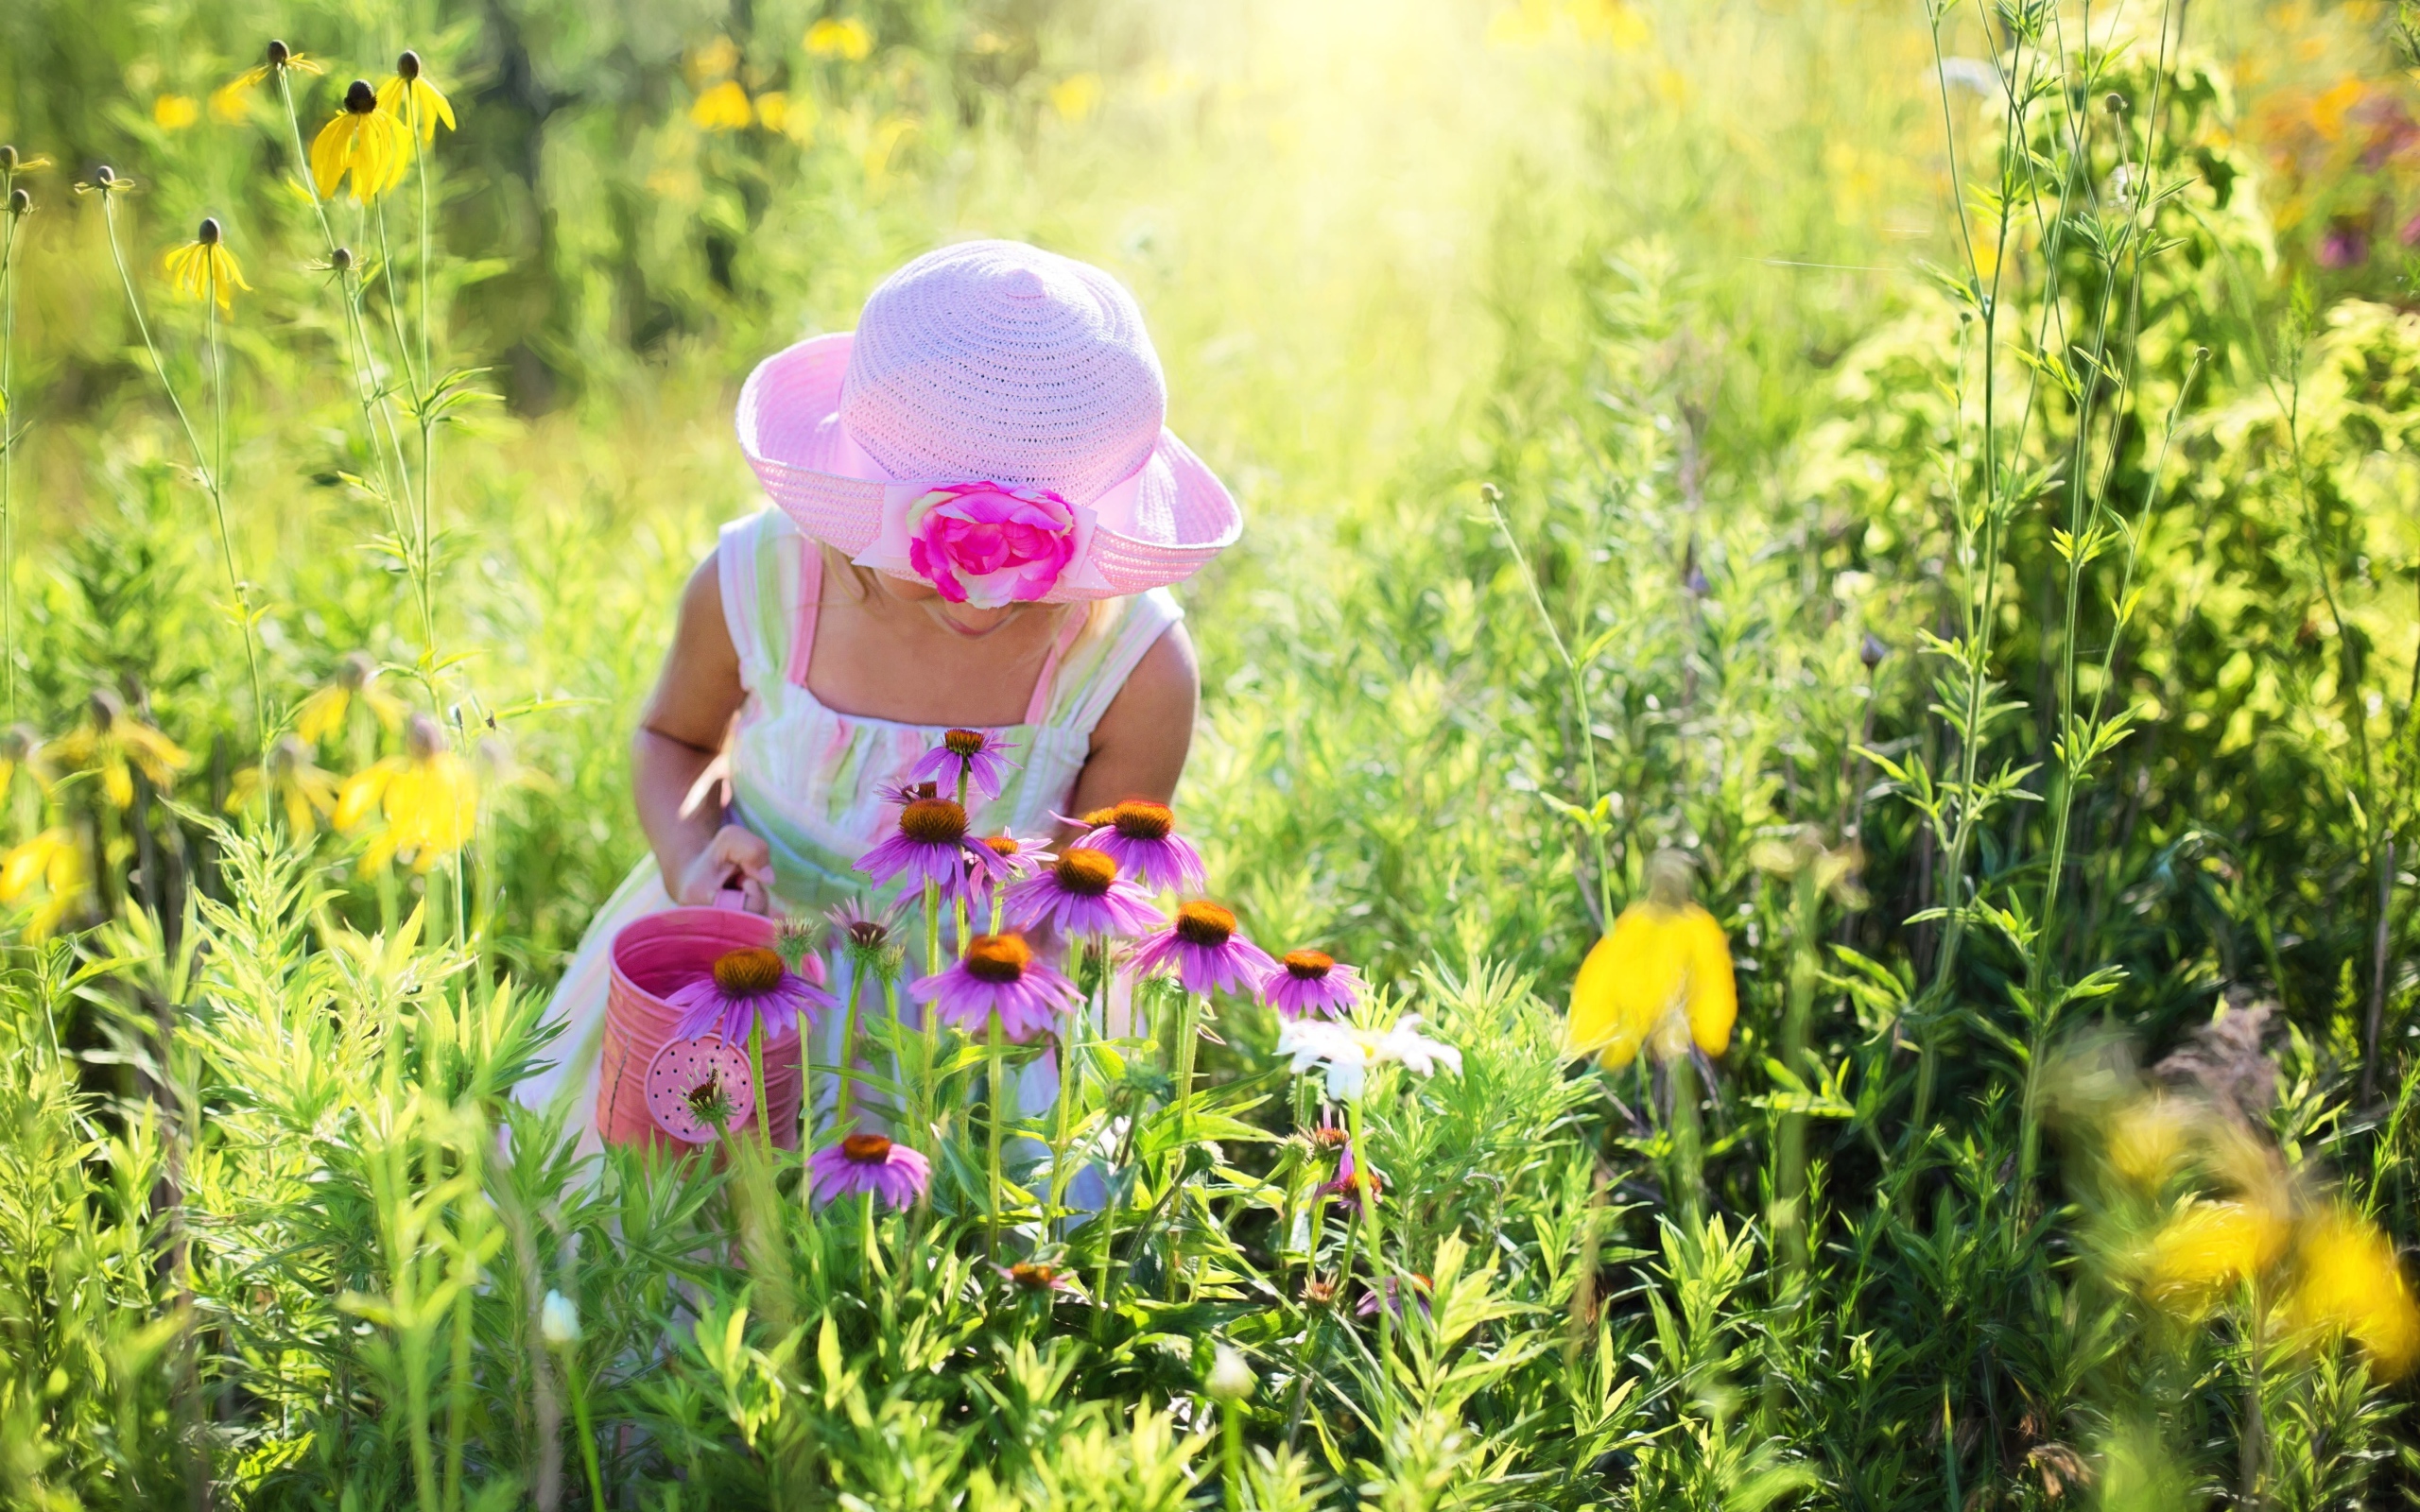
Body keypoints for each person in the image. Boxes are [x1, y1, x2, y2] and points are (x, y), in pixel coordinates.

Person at [517, 239, 1240, 1153]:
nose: (983, 590)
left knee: (954, 1247)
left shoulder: (1132, 665)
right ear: (850, 504)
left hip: (973, 1012)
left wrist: (1034, 980)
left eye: (1027, 567)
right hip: (748, 964)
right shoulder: (758, 586)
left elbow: (1089, 893)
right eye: (944, 562)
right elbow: (674, 739)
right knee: (675, 1231)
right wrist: (691, 859)